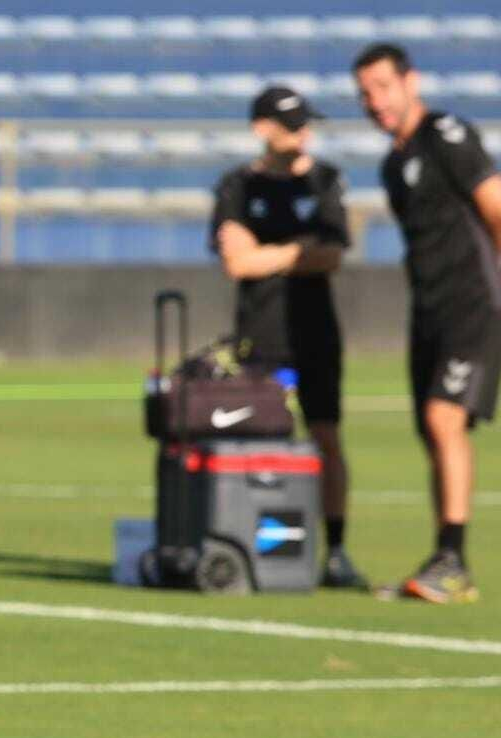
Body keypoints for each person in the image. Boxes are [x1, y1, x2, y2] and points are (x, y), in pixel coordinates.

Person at [354, 42, 501, 603]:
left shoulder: (445, 133)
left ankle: (455, 561)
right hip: (429, 307)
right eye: (364, 93)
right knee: (432, 431)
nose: (374, 102)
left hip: (469, 303)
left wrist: (499, 269)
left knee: (444, 419)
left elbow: (499, 204)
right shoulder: (394, 163)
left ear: (410, 81)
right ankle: (445, 559)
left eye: (382, 87)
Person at [210, 85, 367, 589]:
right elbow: (237, 261)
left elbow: (332, 255)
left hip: (315, 333)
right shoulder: (236, 185)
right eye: (293, 123)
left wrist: (269, 254)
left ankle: (336, 550)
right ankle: (262, 549)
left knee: (326, 437)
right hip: (261, 335)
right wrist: (297, 250)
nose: (304, 133)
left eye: (306, 123)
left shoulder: (325, 181)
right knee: (261, 441)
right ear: (262, 128)